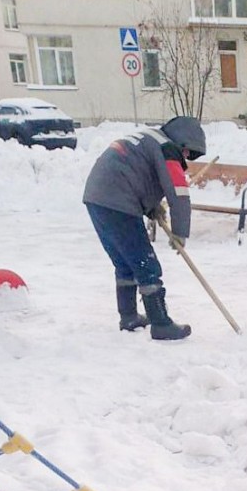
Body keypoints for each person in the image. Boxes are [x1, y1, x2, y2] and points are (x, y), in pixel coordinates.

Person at [83, 116, 206, 341]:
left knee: (124, 262)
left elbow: (136, 173)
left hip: (96, 197)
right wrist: (180, 232)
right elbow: (178, 193)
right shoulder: (168, 149)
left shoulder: (149, 139)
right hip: (118, 200)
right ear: (182, 142)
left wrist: (151, 207)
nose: (186, 157)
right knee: (145, 263)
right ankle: (160, 323)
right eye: (188, 152)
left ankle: (129, 316)